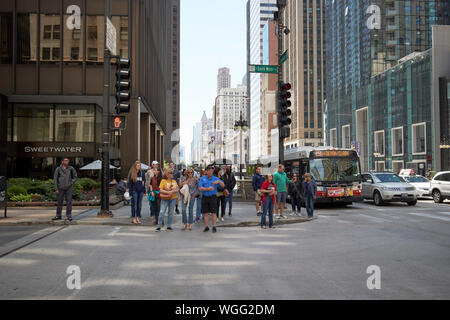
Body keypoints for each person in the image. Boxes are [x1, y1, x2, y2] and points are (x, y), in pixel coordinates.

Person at [198, 165, 225, 233]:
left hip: (213, 197)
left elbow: (223, 185)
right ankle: (206, 226)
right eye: (209, 171)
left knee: (213, 212)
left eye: (212, 171)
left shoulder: (215, 178)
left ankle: (214, 226)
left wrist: (219, 182)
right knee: (206, 213)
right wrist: (208, 189)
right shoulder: (202, 179)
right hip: (205, 197)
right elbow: (200, 188)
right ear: (206, 171)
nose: (211, 172)